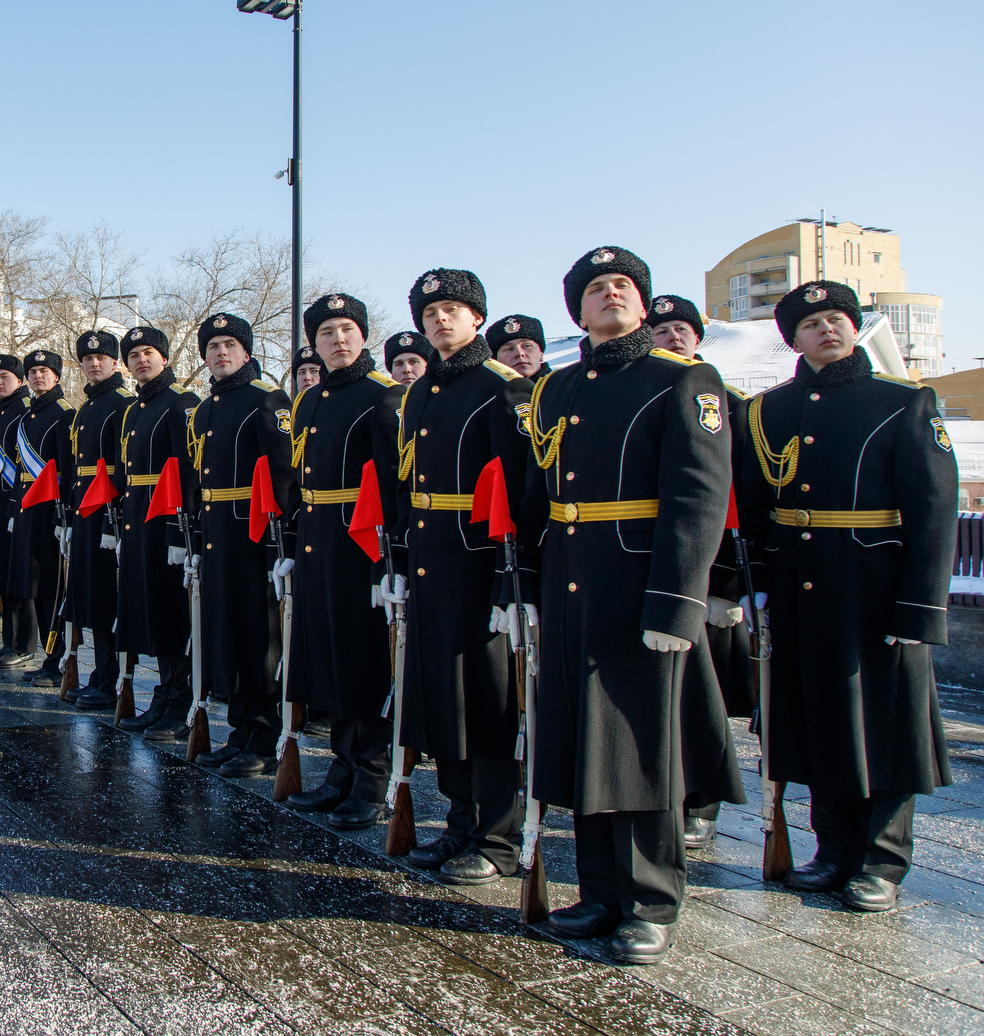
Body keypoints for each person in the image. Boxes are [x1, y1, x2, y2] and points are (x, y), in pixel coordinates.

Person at [520, 247, 729, 965]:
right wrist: (527, 589)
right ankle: (601, 890)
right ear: (577, 311)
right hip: (573, 577)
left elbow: (698, 499)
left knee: (641, 748)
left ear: (643, 305)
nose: (610, 295)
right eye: (595, 289)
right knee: (584, 741)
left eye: (623, 286)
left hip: (641, 583)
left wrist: (677, 605)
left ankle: (650, 900)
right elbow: (538, 497)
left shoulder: (682, 378)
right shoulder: (558, 387)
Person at [742, 281, 956, 913]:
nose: (826, 330)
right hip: (801, 587)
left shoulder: (904, 402)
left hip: (876, 586)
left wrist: (920, 605)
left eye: (837, 319)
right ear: (793, 339)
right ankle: (832, 851)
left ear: (855, 328)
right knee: (821, 722)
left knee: (884, 723)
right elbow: (756, 511)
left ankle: (882, 862)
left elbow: (935, 510)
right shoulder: (767, 411)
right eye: (811, 324)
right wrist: (755, 589)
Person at [393, 270, 534, 885]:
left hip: (481, 564)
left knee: (489, 699)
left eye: (452, 310)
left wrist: (516, 582)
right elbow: (406, 483)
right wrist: (396, 562)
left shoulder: (506, 388)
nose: (440, 321)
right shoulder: (421, 391)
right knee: (443, 696)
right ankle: (458, 821)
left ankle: (497, 837)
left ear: (477, 317)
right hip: (431, 560)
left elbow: (529, 492)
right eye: (430, 313)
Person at [282, 292, 403, 828]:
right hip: (317, 539)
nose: (337, 340)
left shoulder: (386, 396)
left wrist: (389, 564)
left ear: (363, 335)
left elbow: (396, 488)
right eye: (327, 332)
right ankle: (341, 768)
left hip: (362, 545)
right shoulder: (308, 402)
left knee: (363, 663)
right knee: (328, 660)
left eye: (346, 330)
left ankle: (371, 779)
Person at [647, 294, 751, 850]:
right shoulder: (642, 388)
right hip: (642, 558)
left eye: (682, 329)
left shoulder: (726, 402)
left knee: (696, 693)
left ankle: (701, 798)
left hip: (698, 571)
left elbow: (732, 500)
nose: (672, 338)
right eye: (661, 330)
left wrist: (728, 582)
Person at [187, 313, 292, 776]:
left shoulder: (267, 399)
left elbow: (284, 475)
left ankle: (264, 740)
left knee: (257, 639)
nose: (221, 353)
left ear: (247, 352)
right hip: (217, 536)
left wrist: (280, 547)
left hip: (253, 537)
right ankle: (239, 730)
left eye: (230, 344)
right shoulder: (207, 407)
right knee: (227, 633)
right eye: (212, 347)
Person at [111, 326, 200, 739]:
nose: (140, 360)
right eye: (133, 355)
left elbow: (186, 471)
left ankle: (180, 702)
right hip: (137, 516)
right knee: (150, 609)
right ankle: (163, 695)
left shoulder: (182, 402)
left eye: (148, 353)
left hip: (166, 519)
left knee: (172, 614)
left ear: (164, 358)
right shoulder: (135, 408)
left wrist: (180, 532)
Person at [65, 332, 135, 708]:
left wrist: (115, 522)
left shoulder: (123, 403)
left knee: (108, 598)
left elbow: (124, 468)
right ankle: (99, 674)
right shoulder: (86, 408)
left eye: (102, 358)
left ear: (115, 363)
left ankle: (110, 679)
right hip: (86, 512)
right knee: (91, 595)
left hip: (108, 513)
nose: (94, 363)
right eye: (87, 358)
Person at [4, 354, 70, 681]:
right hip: (27, 509)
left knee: (50, 589)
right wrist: (14, 509)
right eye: (32, 372)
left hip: (50, 511)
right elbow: (19, 469)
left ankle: (58, 660)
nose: (37, 376)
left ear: (55, 377)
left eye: (44, 371)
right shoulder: (28, 416)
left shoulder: (64, 413)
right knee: (29, 584)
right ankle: (42, 653)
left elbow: (68, 471)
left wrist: (64, 516)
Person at [0, 354, 31, 662]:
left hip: (16, 504)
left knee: (18, 578)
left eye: (5, 378)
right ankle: (9, 641)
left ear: (19, 381)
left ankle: (23, 644)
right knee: (2, 574)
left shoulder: (23, 411)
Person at [485, 314, 548, 379]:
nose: (519, 353)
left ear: (541, 354)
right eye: (509, 349)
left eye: (527, 346)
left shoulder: (558, 386)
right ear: (496, 360)